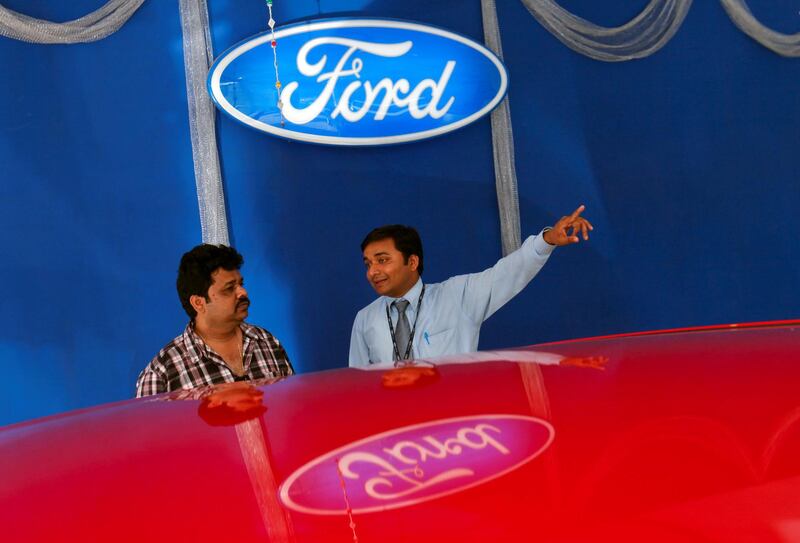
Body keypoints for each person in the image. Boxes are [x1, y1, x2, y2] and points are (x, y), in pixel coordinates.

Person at [349, 205, 592, 367]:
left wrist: (547, 240)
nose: (373, 272)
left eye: (382, 260)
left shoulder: (457, 296)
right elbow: (356, 386)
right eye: (368, 263)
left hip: (454, 422)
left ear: (412, 261)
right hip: (395, 430)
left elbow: (507, 273)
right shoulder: (365, 319)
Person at [136, 244, 293, 397]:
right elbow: (146, 424)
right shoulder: (161, 374)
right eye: (229, 289)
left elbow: (291, 405)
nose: (243, 292)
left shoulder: (267, 342)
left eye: (241, 284)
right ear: (198, 303)